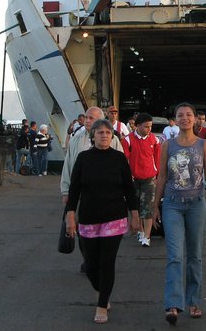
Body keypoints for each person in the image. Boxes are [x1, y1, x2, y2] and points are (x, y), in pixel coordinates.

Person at [152, 103, 206, 325]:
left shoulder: (203, 145)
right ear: (175, 119)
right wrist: (155, 206)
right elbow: (161, 177)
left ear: (195, 119)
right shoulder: (167, 146)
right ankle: (172, 304)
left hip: (196, 205)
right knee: (175, 255)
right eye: (180, 115)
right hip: (172, 204)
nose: (185, 118)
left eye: (188, 115)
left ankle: (194, 300)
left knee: (195, 255)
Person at [65, 119, 140, 324]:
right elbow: (74, 189)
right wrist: (70, 214)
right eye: (100, 132)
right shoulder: (83, 158)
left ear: (113, 136)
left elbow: (129, 189)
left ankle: (102, 304)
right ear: (93, 136)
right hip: (88, 217)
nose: (105, 135)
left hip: (114, 217)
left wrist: (135, 214)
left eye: (108, 132)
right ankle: (102, 290)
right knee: (90, 265)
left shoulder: (119, 158)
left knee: (107, 262)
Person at [61, 107, 124, 272]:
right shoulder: (77, 139)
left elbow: (123, 167)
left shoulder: (113, 140)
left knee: (105, 230)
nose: (87, 121)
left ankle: (100, 260)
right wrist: (65, 191)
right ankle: (88, 259)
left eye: (91, 118)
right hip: (82, 194)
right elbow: (68, 166)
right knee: (82, 230)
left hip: (107, 195)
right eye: (87, 117)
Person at [122, 113, 161, 247]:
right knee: (136, 207)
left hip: (149, 178)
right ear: (137, 126)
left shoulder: (154, 140)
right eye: (146, 127)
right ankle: (140, 231)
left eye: (150, 126)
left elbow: (158, 159)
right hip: (133, 179)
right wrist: (127, 175)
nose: (149, 129)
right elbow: (124, 160)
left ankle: (146, 236)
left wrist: (157, 175)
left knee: (148, 208)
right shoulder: (127, 140)